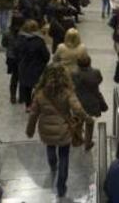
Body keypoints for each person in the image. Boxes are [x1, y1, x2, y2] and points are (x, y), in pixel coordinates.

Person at [26, 64, 94, 198]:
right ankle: (61, 187)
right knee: (64, 156)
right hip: (64, 129)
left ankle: (52, 166)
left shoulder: (40, 93)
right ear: (64, 76)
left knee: (50, 147)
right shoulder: (67, 92)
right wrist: (87, 118)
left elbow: (33, 114)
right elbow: (77, 109)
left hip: (46, 128)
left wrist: (30, 129)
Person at [15, 19, 50, 111]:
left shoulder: (20, 39)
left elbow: (16, 52)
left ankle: (28, 105)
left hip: (24, 66)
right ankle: (37, 103)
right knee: (39, 86)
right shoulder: (39, 41)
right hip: (37, 68)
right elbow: (46, 56)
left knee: (27, 87)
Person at [72, 53, 107, 119]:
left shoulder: (74, 74)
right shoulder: (96, 72)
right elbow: (99, 81)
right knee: (91, 121)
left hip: (79, 101)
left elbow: (73, 84)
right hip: (93, 101)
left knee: (79, 121)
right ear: (89, 62)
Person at [1, 15, 24, 104]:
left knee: (14, 77)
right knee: (22, 77)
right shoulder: (23, 33)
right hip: (21, 57)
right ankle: (22, 97)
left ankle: (13, 96)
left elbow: (4, 44)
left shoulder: (7, 32)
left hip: (11, 57)